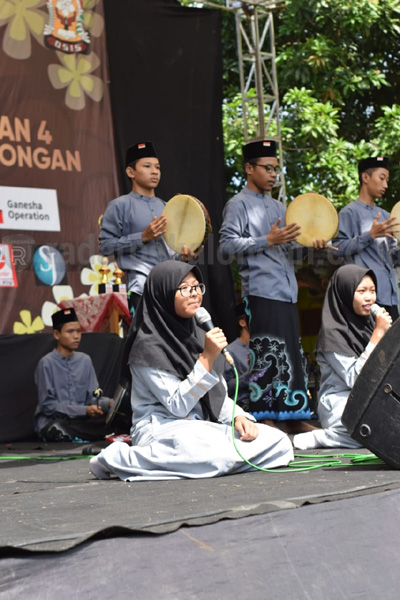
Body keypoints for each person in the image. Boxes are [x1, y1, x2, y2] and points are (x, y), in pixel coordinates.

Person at [89, 261, 293, 480]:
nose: (194, 294)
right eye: (185, 288)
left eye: (197, 287)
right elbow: (177, 406)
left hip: (200, 428)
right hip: (162, 428)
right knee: (211, 456)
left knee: (279, 442)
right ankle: (119, 458)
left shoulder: (199, 334)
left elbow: (218, 396)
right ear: (164, 293)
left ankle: (216, 464)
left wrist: (238, 417)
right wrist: (206, 359)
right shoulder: (147, 346)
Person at [219, 139, 326, 433]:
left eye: (275, 169)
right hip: (260, 290)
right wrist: (268, 239)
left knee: (290, 354)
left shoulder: (280, 206)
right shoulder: (237, 204)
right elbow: (225, 247)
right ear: (249, 168)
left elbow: (289, 252)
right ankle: (266, 416)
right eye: (267, 168)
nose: (272, 174)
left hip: (287, 291)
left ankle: (292, 415)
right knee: (266, 353)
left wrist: (311, 247)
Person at [293, 264, 392, 450]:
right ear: (345, 293)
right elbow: (355, 378)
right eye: (361, 291)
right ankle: (322, 437)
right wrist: (377, 335)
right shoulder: (332, 334)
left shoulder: (372, 324)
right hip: (340, 402)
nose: (369, 297)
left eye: (372, 290)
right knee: (370, 435)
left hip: (372, 400)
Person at [99, 140, 188, 314]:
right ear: (130, 171)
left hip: (171, 286)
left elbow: (170, 251)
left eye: (158, 167)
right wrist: (142, 237)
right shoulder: (119, 205)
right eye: (147, 166)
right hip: (140, 287)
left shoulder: (168, 207)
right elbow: (105, 246)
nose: (154, 171)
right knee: (147, 340)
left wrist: (186, 254)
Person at [333, 156, 399, 320]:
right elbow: (338, 249)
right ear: (365, 177)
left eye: (387, 180)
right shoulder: (349, 213)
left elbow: (393, 256)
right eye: (382, 178)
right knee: (373, 346)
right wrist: (370, 235)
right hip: (367, 299)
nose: (385, 185)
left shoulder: (385, 215)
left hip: (390, 294)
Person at [34, 308, 112, 442]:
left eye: (78, 331)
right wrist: (84, 410)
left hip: (80, 422)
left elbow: (93, 398)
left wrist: (110, 404)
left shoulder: (85, 360)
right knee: (58, 427)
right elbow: (48, 406)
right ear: (57, 334)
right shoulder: (46, 363)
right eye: (70, 331)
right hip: (54, 421)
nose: (76, 336)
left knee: (111, 423)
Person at [223, 303, 250, 411]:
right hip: (244, 407)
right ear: (242, 322)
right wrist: (250, 374)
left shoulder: (266, 348)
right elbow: (227, 386)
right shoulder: (230, 351)